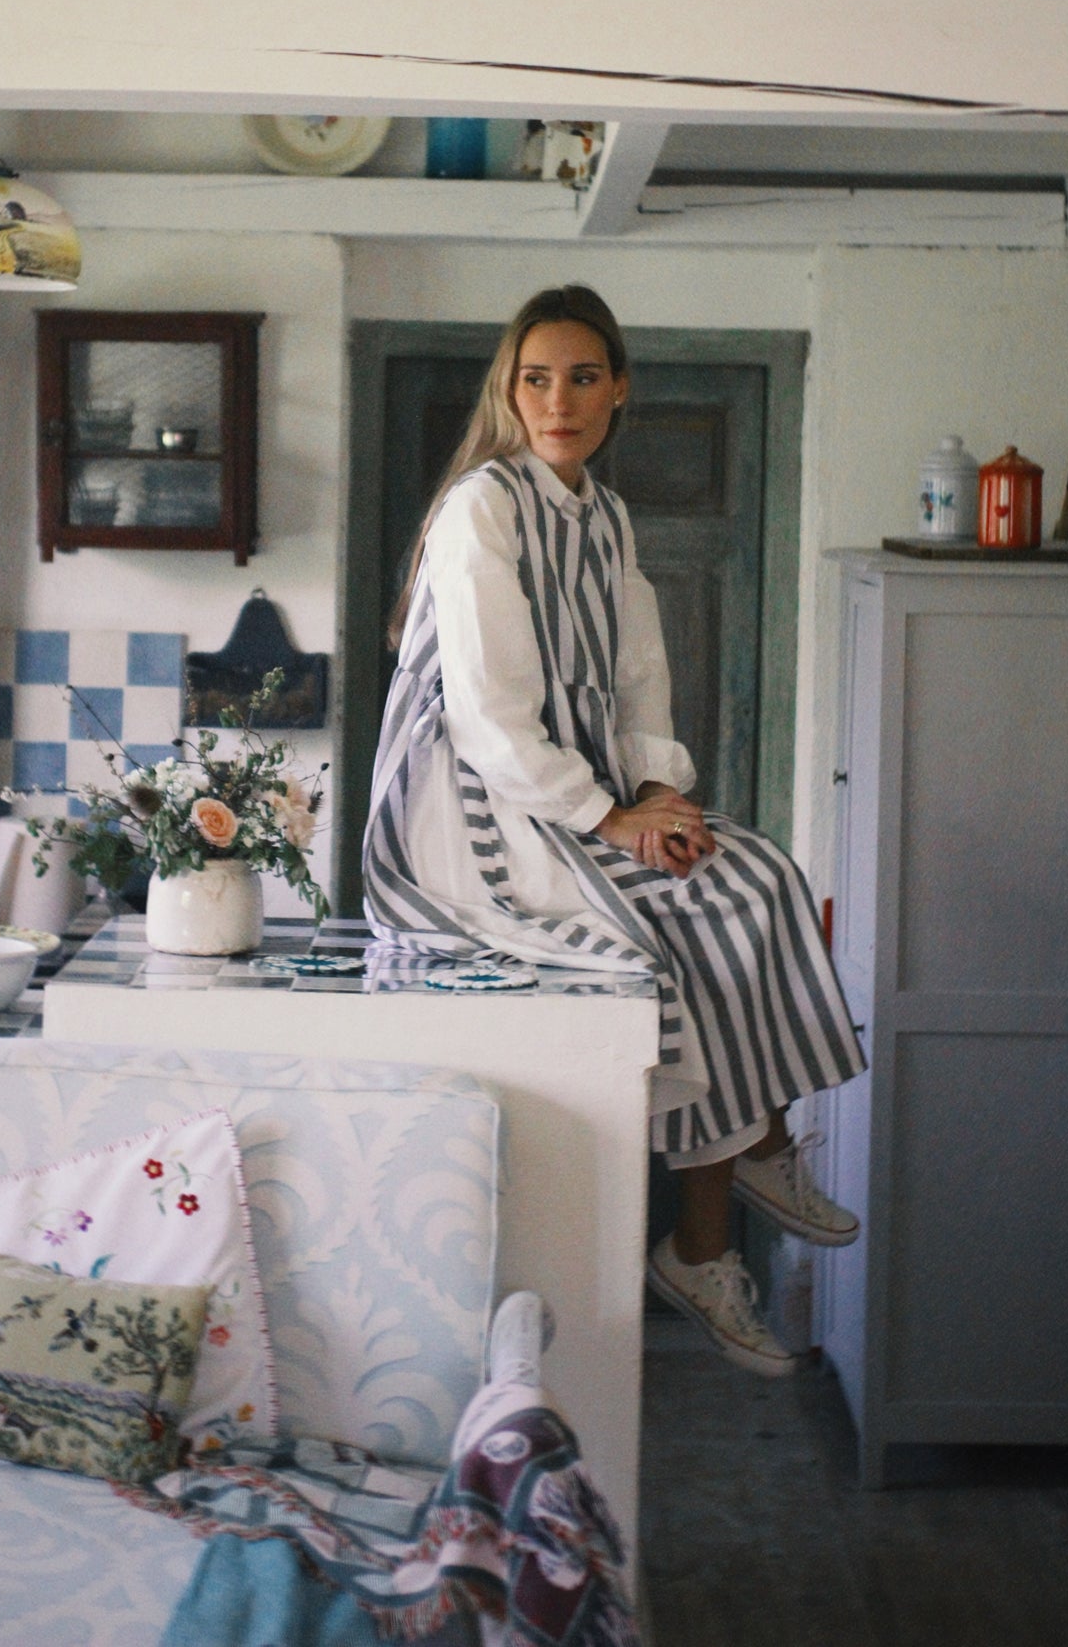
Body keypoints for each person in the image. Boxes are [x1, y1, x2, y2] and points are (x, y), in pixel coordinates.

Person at [363, 284, 865, 1377]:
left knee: (758, 875)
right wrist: (611, 817)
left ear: (618, 389)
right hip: (471, 819)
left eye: (582, 377)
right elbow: (486, 717)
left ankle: (732, 1195)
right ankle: (722, 1211)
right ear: (508, 390)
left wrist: (655, 795)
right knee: (691, 921)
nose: (559, 401)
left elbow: (641, 676)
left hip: (582, 796)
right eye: (536, 378)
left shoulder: (606, 516)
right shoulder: (482, 506)